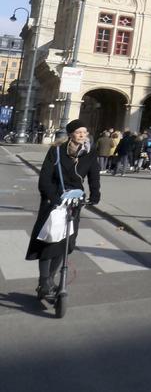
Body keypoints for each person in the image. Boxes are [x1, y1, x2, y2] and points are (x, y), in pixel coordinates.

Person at [25, 119, 101, 301]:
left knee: (64, 242)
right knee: (49, 240)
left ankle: (50, 279)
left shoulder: (90, 153)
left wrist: (95, 194)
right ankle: (44, 281)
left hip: (74, 201)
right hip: (54, 199)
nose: (82, 135)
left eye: (85, 132)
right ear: (71, 134)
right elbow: (45, 178)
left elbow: (94, 176)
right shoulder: (57, 151)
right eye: (79, 132)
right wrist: (54, 198)